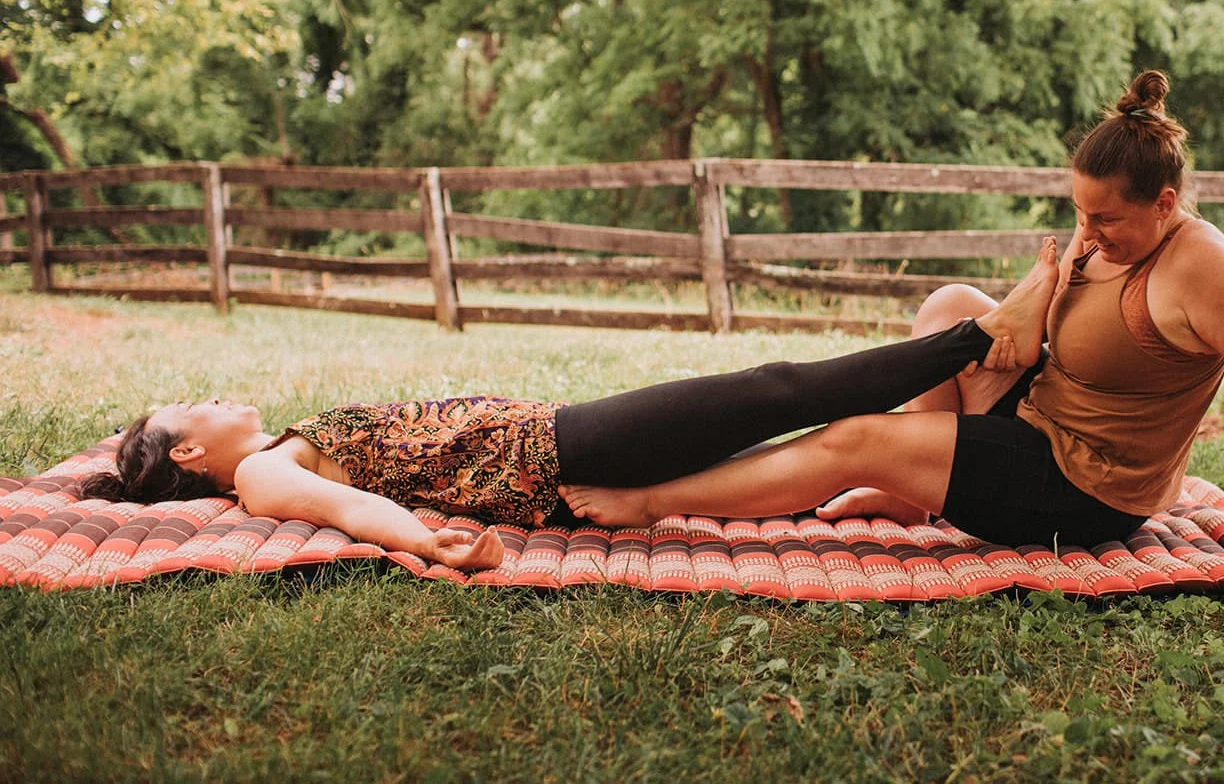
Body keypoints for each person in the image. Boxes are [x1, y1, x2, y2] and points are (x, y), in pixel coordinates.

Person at [562, 71, 1224, 562]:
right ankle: (911, 490)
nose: (1089, 228)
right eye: (1081, 210)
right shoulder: (1105, 228)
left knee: (854, 436)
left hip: (1084, 488)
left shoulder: (1205, 270)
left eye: (1106, 217)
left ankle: (653, 501)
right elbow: (1020, 333)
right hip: (1041, 416)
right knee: (950, 306)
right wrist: (1040, 288)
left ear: (1166, 205)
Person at [78, 246, 1060, 572]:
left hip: (564, 436)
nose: (218, 394)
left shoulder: (274, 449)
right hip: (560, 450)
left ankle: (894, 471)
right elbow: (349, 512)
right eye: (196, 404)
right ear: (197, 451)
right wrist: (427, 540)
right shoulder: (257, 471)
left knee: (780, 410)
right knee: (775, 391)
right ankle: (981, 336)